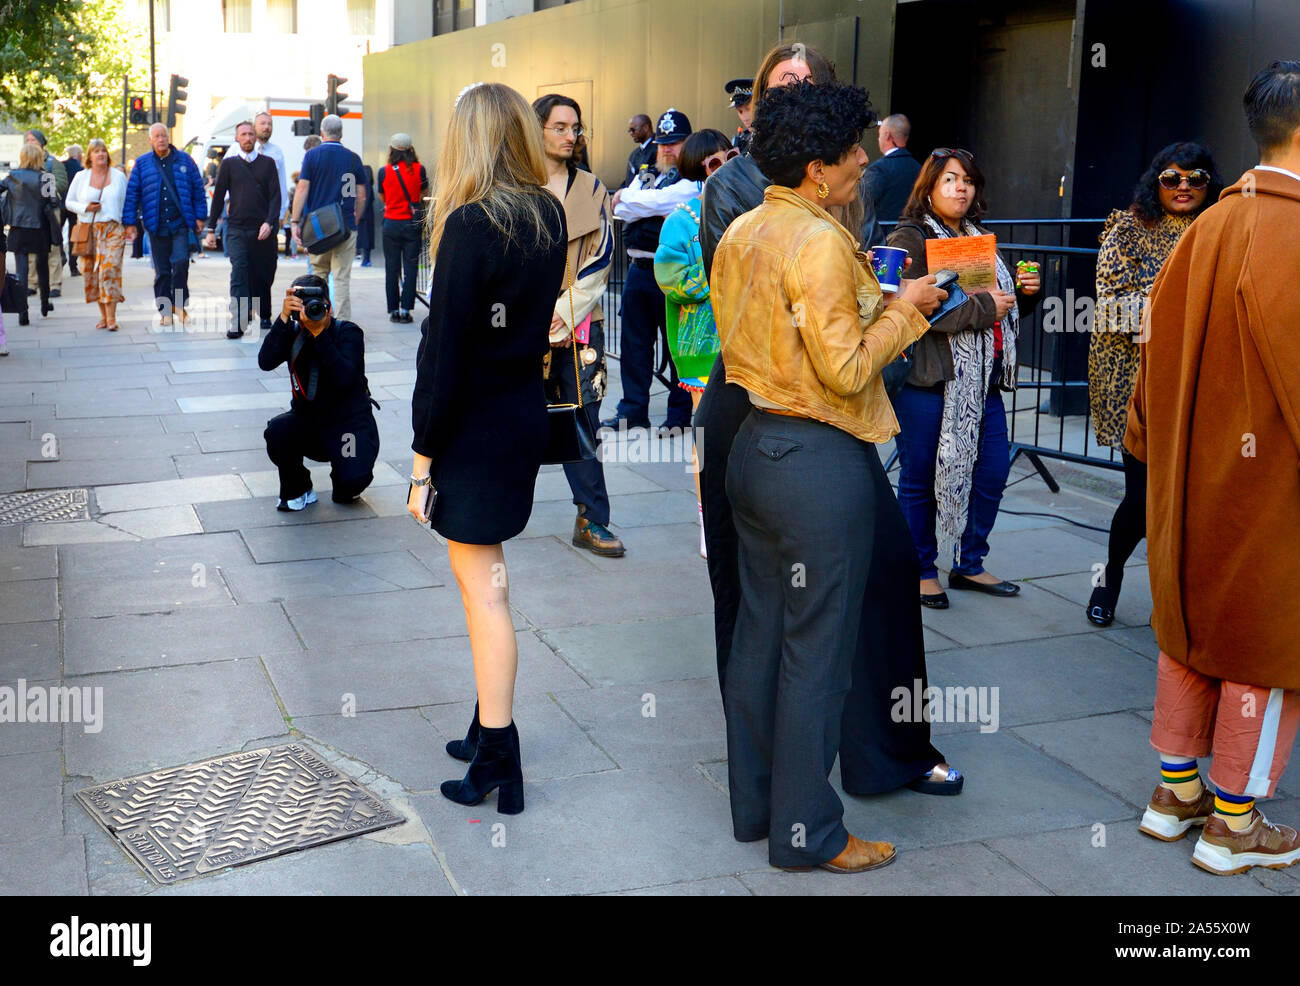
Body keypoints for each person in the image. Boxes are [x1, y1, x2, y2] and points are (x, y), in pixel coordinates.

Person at [712, 80, 950, 873]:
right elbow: (846, 369)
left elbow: (785, 332)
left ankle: (757, 808)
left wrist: (868, 302)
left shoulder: (745, 228)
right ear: (818, 167)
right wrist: (907, 306)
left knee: (759, 638)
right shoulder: (816, 241)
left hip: (753, 449)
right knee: (817, 651)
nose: (863, 162)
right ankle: (811, 831)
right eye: (853, 151)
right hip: (816, 463)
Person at [1128, 60, 1300, 876]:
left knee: (1188, 633)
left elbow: (1150, 357)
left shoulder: (1206, 226)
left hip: (1188, 478)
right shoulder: (1293, 230)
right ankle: (1235, 824)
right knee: (1265, 650)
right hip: (1269, 488)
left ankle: (1175, 796)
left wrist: (1152, 451)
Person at [696, 41, 880, 689]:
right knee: (749, 589)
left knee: (862, 579)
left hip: (832, 413)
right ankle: (761, 738)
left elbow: (864, 285)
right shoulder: (733, 190)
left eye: (806, 85)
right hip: (757, 404)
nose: (792, 97)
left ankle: (862, 744)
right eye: (779, 88)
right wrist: (896, 317)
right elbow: (752, 317)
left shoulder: (856, 184)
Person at [408, 82, 566, 816]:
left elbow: (445, 357)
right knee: (488, 587)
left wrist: (419, 461)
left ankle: (500, 752)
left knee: (485, 594)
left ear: (468, 140)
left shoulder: (472, 224)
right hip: (518, 419)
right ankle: (485, 725)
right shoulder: (547, 212)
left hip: (473, 431)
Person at [886, 149, 1042, 608]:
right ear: (929, 187)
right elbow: (908, 306)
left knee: (991, 472)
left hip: (981, 383)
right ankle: (919, 569)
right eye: (950, 180)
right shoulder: (911, 237)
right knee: (920, 477)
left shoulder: (975, 236)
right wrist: (985, 308)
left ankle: (969, 563)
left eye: (968, 180)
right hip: (929, 381)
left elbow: (998, 308)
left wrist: (1023, 297)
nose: (961, 188)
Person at [1085, 143, 1221, 628]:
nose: (1184, 186)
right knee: (1142, 498)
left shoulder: (1219, 228)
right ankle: (1109, 579)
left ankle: (1178, 604)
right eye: (1172, 178)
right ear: (1155, 182)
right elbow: (1115, 307)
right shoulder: (1127, 226)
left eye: (1196, 178)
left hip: (1200, 385)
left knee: (1192, 502)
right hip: (1134, 381)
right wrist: (1185, 302)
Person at [534, 94, 623, 558]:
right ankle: (489, 509)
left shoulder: (592, 189)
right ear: (538, 129)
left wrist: (566, 310)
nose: (570, 136)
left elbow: (602, 256)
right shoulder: (516, 187)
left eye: (575, 128)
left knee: (583, 418)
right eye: (560, 127)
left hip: (580, 327)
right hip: (521, 326)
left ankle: (592, 518)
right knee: (510, 414)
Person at [655, 128, 732, 558]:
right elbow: (670, 278)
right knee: (707, 436)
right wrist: (719, 276)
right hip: (701, 344)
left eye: (728, 157)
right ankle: (708, 520)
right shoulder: (681, 219)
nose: (721, 167)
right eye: (713, 161)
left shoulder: (748, 211)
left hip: (746, 340)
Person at [603, 108, 696, 434]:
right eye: (663, 143)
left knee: (676, 350)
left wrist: (639, 201)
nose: (668, 149)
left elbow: (657, 202)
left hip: (672, 274)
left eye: (676, 143)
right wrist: (643, 201)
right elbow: (622, 206)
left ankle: (679, 416)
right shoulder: (650, 173)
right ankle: (632, 412)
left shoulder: (692, 179)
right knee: (634, 347)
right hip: (639, 270)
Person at [258, 274, 380, 510]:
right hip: (310, 424)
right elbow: (265, 361)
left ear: (329, 307)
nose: (312, 312)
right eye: (304, 307)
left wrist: (319, 335)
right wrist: (283, 318)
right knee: (278, 431)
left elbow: (345, 378)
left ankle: (344, 473)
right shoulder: (292, 332)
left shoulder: (348, 333)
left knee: (350, 485)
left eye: (318, 307)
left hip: (348, 428)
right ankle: (299, 487)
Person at [122, 122, 207, 326]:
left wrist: (200, 217)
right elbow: (132, 194)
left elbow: (198, 189)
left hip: (180, 223)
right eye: (157, 136)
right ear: (150, 140)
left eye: (164, 135)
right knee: (162, 271)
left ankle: (180, 306)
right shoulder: (142, 164)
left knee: (180, 264)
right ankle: (165, 311)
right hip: (155, 224)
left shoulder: (185, 160)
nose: (161, 139)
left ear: (168, 138)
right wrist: (130, 222)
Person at [205, 121, 282, 338]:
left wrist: (269, 222)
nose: (248, 138)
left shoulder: (268, 164)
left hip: (262, 230)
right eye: (243, 134)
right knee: (239, 272)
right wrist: (211, 228)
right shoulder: (229, 165)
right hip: (237, 228)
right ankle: (238, 322)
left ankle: (264, 311)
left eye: (251, 134)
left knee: (262, 273)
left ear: (256, 137)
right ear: (237, 139)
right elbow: (218, 196)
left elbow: (276, 197)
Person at [291, 114, 365, 319]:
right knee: (341, 280)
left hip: (318, 230)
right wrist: (354, 220)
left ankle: (317, 319)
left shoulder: (312, 156)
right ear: (341, 133)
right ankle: (342, 325)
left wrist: (295, 221)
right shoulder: (353, 159)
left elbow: (302, 188)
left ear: (322, 133)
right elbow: (361, 195)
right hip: (345, 228)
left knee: (317, 276)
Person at [66, 139, 128, 332]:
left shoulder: (118, 176)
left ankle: (111, 318)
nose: (101, 154)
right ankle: (103, 316)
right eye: (96, 151)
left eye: (103, 151)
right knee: (92, 274)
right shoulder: (80, 176)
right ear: (89, 156)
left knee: (109, 269)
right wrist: (86, 207)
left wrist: (130, 226)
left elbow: (126, 203)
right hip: (88, 230)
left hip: (113, 229)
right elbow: (68, 202)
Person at [2, 141, 58, 327]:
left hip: (18, 227)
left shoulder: (13, 177)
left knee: (22, 270)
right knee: (42, 267)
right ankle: (44, 304)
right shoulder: (45, 177)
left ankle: (22, 311)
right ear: (39, 157)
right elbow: (52, 201)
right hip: (40, 227)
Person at [376, 133, 428, 323]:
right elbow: (423, 193)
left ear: (392, 149)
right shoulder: (419, 169)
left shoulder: (384, 170)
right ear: (410, 149)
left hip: (390, 224)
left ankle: (393, 311)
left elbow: (382, 196)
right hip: (411, 224)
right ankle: (406, 310)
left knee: (391, 268)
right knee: (411, 268)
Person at [23, 129, 67, 298]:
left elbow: (61, 183)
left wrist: (41, 190)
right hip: (30, 211)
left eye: (33, 140)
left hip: (49, 211)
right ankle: (32, 283)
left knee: (53, 248)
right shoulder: (23, 164)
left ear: (41, 143)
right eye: (28, 140)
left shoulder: (52, 163)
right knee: (31, 249)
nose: (30, 143)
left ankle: (54, 284)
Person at [865, 113, 920, 222]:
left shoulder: (878, 169)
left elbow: (862, 205)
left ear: (887, 135)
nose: (878, 139)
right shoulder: (920, 168)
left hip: (882, 236)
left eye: (879, 135)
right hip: (913, 233)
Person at [62, 144, 84, 277]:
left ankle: (60, 255)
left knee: (56, 232)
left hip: (60, 203)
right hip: (74, 205)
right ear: (79, 155)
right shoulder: (80, 169)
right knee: (73, 235)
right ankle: (73, 266)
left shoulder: (61, 165)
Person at [621, 114, 656, 189]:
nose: (631, 134)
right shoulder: (635, 154)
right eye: (629, 131)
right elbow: (628, 181)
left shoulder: (657, 150)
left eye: (633, 130)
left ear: (646, 128)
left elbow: (644, 179)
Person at [357, 163, 376, 266]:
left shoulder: (364, 186)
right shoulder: (368, 186)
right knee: (366, 239)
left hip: (363, 216)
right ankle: (366, 259)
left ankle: (366, 259)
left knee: (364, 239)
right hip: (367, 216)